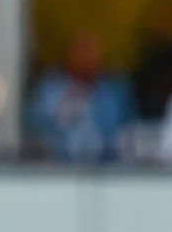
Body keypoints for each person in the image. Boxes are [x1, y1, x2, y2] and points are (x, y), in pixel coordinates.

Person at [27, 34, 134, 163]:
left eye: (92, 52)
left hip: (107, 174)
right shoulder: (50, 92)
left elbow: (130, 134)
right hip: (56, 173)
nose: (86, 57)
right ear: (69, 56)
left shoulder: (115, 93)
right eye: (81, 51)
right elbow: (34, 132)